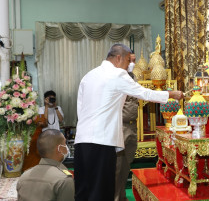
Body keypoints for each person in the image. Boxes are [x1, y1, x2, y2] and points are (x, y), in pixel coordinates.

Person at [74, 44, 184, 201]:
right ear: (118, 58)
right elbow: (144, 93)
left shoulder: (89, 75)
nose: (129, 66)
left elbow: (80, 108)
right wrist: (172, 94)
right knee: (102, 192)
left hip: (81, 141)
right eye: (127, 61)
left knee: (83, 191)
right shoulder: (118, 74)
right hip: (102, 142)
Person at [17, 129, 74, 201]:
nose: (66, 147)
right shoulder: (64, 180)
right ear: (59, 149)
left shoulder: (24, 176)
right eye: (65, 144)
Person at [115, 53, 138, 201]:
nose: (133, 63)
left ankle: (122, 196)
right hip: (119, 127)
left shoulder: (133, 77)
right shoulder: (116, 78)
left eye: (134, 61)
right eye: (130, 60)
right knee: (116, 167)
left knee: (126, 166)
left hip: (132, 127)